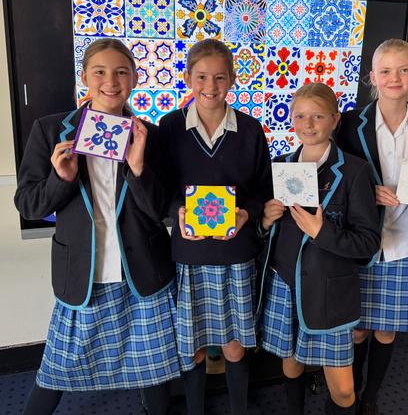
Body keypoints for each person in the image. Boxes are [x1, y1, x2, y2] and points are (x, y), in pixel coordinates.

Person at [15, 39, 179, 415]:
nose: (111, 81)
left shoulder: (148, 135)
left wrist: (138, 168)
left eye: (121, 72)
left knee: (154, 369)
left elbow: (159, 210)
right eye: (100, 72)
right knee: (57, 369)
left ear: (134, 78)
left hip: (141, 271)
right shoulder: (50, 130)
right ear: (85, 77)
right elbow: (29, 204)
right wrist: (61, 179)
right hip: (83, 274)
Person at [335, 39, 408, 415]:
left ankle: (371, 397)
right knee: (357, 330)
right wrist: (367, 192)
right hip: (360, 243)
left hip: (404, 245)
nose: (394, 78)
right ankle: (351, 393)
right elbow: (334, 180)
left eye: (403, 70)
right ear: (373, 77)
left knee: (386, 330)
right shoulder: (349, 123)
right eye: (385, 71)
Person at [157, 39, 272, 415]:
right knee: (193, 346)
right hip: (189, 254)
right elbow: (161, 190)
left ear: (232, 79)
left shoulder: (250, 130)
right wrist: (178, 212)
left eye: (220, 77)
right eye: (202, 76)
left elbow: (264, 190)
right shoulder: (170, 127)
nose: (210, 86)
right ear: (188, 78)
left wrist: (247, 214)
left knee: (235, 344)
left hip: (236, 252)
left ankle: (238, 408)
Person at [257, 82, 380, 415]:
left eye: (318, 116)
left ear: (335, 119)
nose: (308, 124)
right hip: (284, 285)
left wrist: (321, 232)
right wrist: (265, 221)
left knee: (343, 390)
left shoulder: (354, 171)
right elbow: (265, 236)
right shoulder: (280, 165)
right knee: (291, 362)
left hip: (330, 293)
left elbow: (368, 243)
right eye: (300, 116)